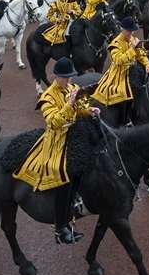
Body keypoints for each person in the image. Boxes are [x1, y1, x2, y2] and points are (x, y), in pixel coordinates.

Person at [12, 58, 101, 244]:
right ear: (55, 77)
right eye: (65, 78)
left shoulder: (70, 88)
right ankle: (61, 228)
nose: (69, 82)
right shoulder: (47, 97)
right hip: (56, 140)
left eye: (71, 77)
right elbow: (53, 122)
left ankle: (80, 196)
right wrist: (69, 105)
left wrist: (88, 110)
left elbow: (79, 110)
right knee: (64, 175)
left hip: (75, 134)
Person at [93, 17, 149, 111]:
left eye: (132, 30)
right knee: (124, 92)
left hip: (133, 69)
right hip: (119, 72)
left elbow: (141, 55)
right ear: (122, 29)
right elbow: (118, 60)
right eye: (128, 31)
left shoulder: (133, 39)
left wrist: (147, 64)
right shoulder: (115, 44)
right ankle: (125, 117)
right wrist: (132, 49)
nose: (131, 33)